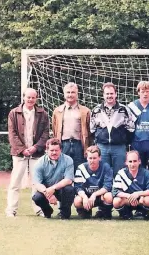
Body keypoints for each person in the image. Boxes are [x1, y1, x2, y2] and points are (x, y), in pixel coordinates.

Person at [6, 88, 49, 217]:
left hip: (37, 153)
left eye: (33, 97)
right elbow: (12, 134)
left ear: (36, 98)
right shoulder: (14, 113)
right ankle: (11, 209)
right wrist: (22, 149)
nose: (30, 100)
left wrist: (36, 147)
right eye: (28, 97)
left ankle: (38, 209)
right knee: (15, 183)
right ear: (23, 97)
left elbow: (45, 133)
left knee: (37, 183)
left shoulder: (43, 113)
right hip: (19, 154)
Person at [90, 82, 135, 175]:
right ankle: (104, 190)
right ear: (103, 95)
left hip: (119, 147)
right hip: (102, 147)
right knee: (103, 172)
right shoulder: (96, 110)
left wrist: (124, 142)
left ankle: (118, 190)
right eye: (107, 94)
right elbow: (92, 130)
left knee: (120, 173)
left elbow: (131, 129)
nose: (109, 96)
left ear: (116, 94)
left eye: (111, 93)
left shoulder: (124, 110)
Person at [52, 82, 92, 170]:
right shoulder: (57, 111)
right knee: (63, 169)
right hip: (63, 144)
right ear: (64, 94)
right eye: (68, 92)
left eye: (73, 92)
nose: (70, 95)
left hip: (79, 145)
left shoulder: (85, 111)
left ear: (77, 94)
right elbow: (54, 129)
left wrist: (87, 146)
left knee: (79, 170)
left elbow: (90, 131)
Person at [31, 139, 75, 219]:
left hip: (61, 189)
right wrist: (48, 194)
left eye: (56, 150)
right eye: (51, 150)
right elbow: (37, 184)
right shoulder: (39, 163)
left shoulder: (68, 160)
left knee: (70, 189)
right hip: (46, 189)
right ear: (46, 150)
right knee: (37, 197)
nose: (54, 152)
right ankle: (47, 211)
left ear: (61, 150)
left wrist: (53, 188)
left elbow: (68, 180)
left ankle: (64, 214)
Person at [128, 81, 149, 173]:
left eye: (147, 91)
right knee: (138, 170)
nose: (145, 94)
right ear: (138, 92)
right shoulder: (131, 107)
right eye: (143, 91)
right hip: (137, 143)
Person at [73, 145, 113, 219]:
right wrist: (84, 197)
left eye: (94, 158)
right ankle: (86, 212)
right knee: (77, 201)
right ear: (87, 158)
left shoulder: (106, 167)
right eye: (90, 158)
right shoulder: (81, 168)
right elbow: (78, 187)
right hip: (87, 196)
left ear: (99, 158)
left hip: (100, 196)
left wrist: (94, 195)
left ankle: (105, 212)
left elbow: (108, 186)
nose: (92, 160)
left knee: (109, 196)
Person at [112, 151, 149, 220]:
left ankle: (144, 212)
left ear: (139, 161)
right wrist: (129, 196)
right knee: (116, 201)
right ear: (126, 162)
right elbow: (115, 191)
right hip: (127, 200)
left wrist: (138, 194)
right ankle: (125, 213)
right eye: (130, 161)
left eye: (135, 161)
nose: (132, 164)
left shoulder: (146, 173)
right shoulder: (121, 173)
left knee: (148, 199)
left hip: (141, 200)